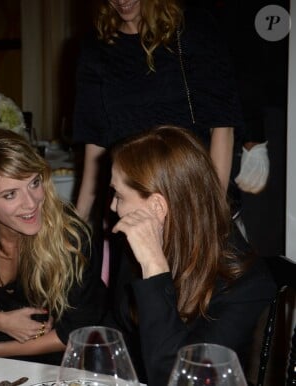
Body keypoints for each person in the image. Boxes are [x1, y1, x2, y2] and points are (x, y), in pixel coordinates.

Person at [104, 126, 276, 386]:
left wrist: (154, 268)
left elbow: (177, 379)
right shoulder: (140, 244)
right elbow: (116, 328)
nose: (113, 207)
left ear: (157, 207)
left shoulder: (246, 285)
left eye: (118, 195)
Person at [0, 128, 105, 365]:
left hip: (55, 365)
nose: (31, 203)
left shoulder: (72, 239)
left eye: (34, 183)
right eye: (10, 194)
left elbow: (75, 332)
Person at [72, 0, 245, 222]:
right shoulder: (95, 47)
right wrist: (80, 219)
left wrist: (212, 212)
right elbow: (95, 141)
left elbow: (223, 126)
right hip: (133, 208)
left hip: (191, 198)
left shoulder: (194, 27)